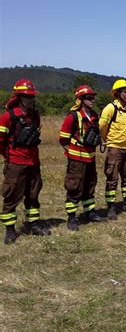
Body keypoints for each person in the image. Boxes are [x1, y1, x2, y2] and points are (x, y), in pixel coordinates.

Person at [0, 79, 50, 244]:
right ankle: (10, 230)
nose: (30, 99)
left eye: (32, 97)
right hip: (16, 163)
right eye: (27, 97)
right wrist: (9, 158)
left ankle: (33, 224)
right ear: (19, 97)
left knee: (33, 194)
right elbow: (1, 141)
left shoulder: (34, 115)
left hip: (33, 163)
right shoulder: (8, 116)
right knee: (11, 196)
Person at [59, 85, 107, 231]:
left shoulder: (93, 115)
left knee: (90, 185)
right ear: (80, 99)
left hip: (90, 157)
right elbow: (63, 139)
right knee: (74, 187)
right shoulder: (72, 116)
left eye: (93, 98)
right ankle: (72, 217)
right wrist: (72, 152)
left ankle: (90, 213)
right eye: (89, 98)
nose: (92, 100)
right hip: (76, 159)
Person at [99, 79, 126, 219]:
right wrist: (108, 141)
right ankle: (111, 207)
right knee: (112, 178)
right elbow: (101, 127)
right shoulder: (110, 108)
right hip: (115, 148)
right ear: (117, 93)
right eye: (124, 92)